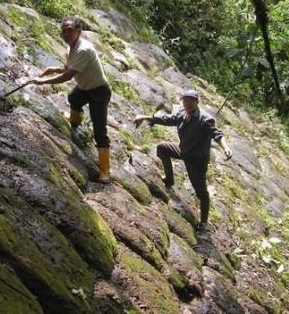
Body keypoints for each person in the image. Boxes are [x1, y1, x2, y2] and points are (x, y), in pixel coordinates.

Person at [27, 16, 112, 183]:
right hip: (84, 88)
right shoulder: (71, 48)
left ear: (79, 31)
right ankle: (75, 121)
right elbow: (69, 67)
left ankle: (105, 172)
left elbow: (68, 76)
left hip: (99, 91)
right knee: (73, 98)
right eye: (63, 31)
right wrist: (54, 68)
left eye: (70, 30)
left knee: (99, 129)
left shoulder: (84, 49)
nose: (66, 33)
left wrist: (42, 81)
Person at [133, 90, 232, 231]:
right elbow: (167, 119)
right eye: (185, 100)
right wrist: (145, 117)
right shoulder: (181, 113)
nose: (188, 103)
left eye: (191, 101)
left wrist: (226, 148)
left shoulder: (205, 119)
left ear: (197, 102)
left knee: (201, 192)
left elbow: (217, 134)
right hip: (184, 150)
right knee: (162, 148)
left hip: (196, 160)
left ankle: (204, 222)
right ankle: (169, 179)